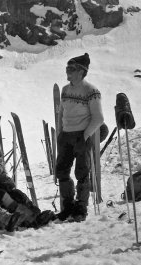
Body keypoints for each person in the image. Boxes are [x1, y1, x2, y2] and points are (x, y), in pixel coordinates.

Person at [55, 53, 104, 222]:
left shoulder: (91, 91)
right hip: (66, 135)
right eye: (67, 68)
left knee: (82, 172)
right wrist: (60, 133)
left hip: (82, 135)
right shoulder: (65, 90)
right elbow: (62, 113)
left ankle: (81, 208)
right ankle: (67, 207)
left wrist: (85, 136)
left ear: (81, 71)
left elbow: (99, 118)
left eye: (71, 69)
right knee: (62, 171)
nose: (67, 72)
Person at [0, 146, 55, 227]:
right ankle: (28, 219)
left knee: (17, 193)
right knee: (2, 194)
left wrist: (1, 175)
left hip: (1, 197)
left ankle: (36, 214)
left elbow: (11, 185)